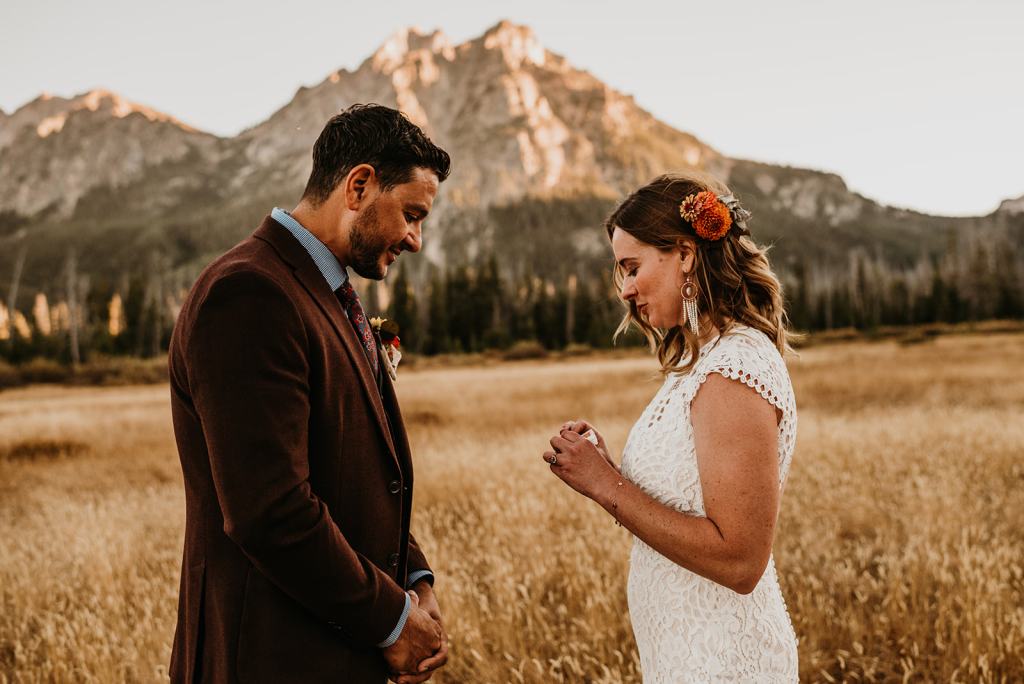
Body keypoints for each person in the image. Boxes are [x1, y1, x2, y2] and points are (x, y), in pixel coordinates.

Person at [168, 104, 451, 683]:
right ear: (360, 185)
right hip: (270, 658)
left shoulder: (322, 291)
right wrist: (392, 620)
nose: (416, 240)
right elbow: (269, 511)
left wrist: (415, 580)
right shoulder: (250, 293)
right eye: (411, 214)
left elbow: (348, 475)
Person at [543, 171, 800, 681]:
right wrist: (607, 469)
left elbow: (740, 561)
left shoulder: (735, 366)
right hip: (683, 655)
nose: (625, 289)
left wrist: (604, 484)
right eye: (621, 272)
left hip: (725, 662)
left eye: (632, 267)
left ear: (685, 254)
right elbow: (682, 505)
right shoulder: (699, 362)